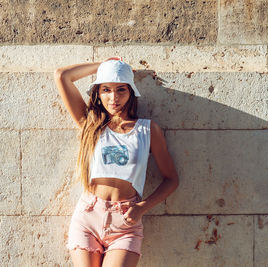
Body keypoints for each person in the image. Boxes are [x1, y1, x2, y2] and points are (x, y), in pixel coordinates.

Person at [53, 57, 179, 267]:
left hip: (126, 223)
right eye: (106, 89)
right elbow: (62, 76)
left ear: (131, 92)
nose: (114, 97)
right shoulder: (90, 124)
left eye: (121, 89)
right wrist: (104, 65)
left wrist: (142, 207)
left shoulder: (148, 130)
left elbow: (171, 179)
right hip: (88, 217)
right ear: (98, 93)